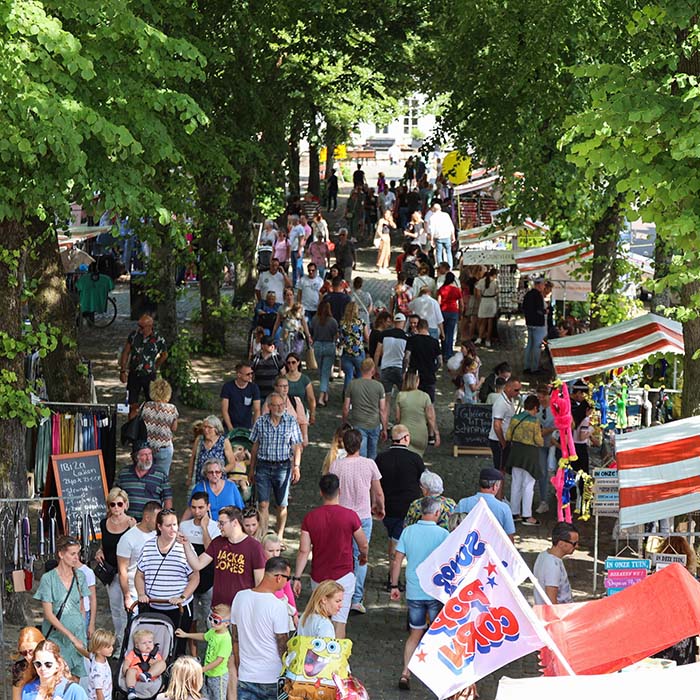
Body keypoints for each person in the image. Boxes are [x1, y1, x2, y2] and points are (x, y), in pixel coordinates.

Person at [293, 474, 368, 638]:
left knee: (319, 618)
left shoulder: (310, 518)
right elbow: (363, 543)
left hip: (319, 577)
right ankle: (336, 659)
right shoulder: (350, 516)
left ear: (321, 492)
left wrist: (297, 577)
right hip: (343, 576)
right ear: (339, 491)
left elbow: (304, 551)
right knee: (339, 621)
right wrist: (364, 556)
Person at [390, 497, 450, 691]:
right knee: (439, 633)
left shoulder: (408, 532)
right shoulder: (443, 534)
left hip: (415, 591)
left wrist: (394, 585)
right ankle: (440, 675)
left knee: (415, 633)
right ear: (437, 513)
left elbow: (397, 560)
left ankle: (405, 673)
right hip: (435, 592)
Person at [329, 429, 385, 614]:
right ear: (360, 444)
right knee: (361, 556)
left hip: (341, 516)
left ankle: (339, 595)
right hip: (363, 516)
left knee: (341, 554)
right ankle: (357, 598)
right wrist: (380, 507)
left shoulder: (336, 466)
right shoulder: (369, 464)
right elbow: (378, 492)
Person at [135, 510, 199, 657]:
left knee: (177, 648)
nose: (173, 529)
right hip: (153, 606)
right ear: (159, 526)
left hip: (179, 608)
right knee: (152, 649)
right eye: (169, 525)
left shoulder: (184, 548)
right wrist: (141, 593)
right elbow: (139, 575)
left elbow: (195, 577)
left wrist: (182, 597)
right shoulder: (148, 547)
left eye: (175, 524)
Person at [231, 557, 291, 700]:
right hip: (271, 676)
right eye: (287, 578)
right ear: (278, 578)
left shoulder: (240, 597)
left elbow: (235, 638)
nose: (287, 582)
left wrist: (239, 666)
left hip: (246, 674)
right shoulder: (278, 606)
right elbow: (282, 644)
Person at [34, 536, 89, 680]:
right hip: (57, 637)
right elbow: (48, 614)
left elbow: (82, 606)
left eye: (78, 553)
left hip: (77, 636)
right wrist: (70, 636)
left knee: (75, 678)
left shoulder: (80, 576)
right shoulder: (49, 579)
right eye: (72, 554)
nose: (76, 558)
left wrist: (81, 629)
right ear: (61, 554)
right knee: (58, 678)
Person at [250, 392, 303, 538]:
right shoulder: (260, 422)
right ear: (269, 407)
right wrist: (251, 469)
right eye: (276, 405)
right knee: (263, 504)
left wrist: (296, 467)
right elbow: (255, 446)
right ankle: (263, 535)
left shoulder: (291, 421)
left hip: (283, 467)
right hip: (263, 466)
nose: (280, 407)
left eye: (282, 405)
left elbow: (297, 446)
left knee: (282, 504)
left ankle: (279, 536)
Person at [375, 425, 425, 578]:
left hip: (388, 508)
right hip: (409, 509)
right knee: (400, 544)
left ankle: (393, 575)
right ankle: (396, 578)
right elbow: (422, 482)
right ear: (405, 438)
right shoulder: (415, 459)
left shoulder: (381, 458)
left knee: (393, 540)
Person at [94, 488, 136, 649]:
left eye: (120, 504)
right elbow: (106, 544)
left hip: (128, 572)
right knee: (116, 609)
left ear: (125, 504)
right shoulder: (105, 523)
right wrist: (100, 550)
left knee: (130, 608)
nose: (116, 508)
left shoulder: (132, 523)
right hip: (111, 572)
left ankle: (130, 644)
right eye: (113, 504)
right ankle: (120, 644)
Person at [179, 491, 219, 657]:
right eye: (194, 508)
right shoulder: (184, 526)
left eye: (201, 507)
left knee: (212, 621)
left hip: (210, 579)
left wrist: (204, 527)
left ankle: (213, 655)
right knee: (191, 620)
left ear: (208, 507)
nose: (197, 511)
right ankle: (194, 656)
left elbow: (212, 550)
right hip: (189, 579)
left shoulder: (216, 527)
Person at [116, 501, 162, 624]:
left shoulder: (157, 534)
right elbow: (122, 571)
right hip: (134, 592)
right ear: (147, 517)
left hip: (154, 591)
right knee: (134, 628)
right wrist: (127, 596)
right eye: (157, 519)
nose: (159, 523)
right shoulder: (128, 538)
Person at [175, 604, 232, 700]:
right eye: (210, 619)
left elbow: (219, 660)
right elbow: (204, 636)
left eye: (216, 621)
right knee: (205, 696)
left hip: (218, 676)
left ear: (226, 623)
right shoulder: (213, 631)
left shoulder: (226, 639)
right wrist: (186, 635)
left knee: (218, 697)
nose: (212, 623)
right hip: (207, 673)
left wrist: (201, 670)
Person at [119, 314, 168, 419]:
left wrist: (156, 365)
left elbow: (164, 355)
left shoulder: (158, 339)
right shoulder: (134, 335)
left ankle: (149, 427)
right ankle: (132, 429)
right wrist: (123, 370)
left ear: (150, 326)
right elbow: (126, 352)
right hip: (134, 374)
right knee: (132, 404)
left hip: (149, 375)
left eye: (142, 327)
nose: (139, 329)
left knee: (152, 403)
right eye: (139, 326)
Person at [342, 358, 387, 459]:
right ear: (373, 370)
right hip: (374, 423)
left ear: (361, 369)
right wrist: (384, 428)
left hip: (358, 423)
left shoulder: (352, 384)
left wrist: (344, 422)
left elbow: (346, 407)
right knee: (372, 454)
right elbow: (382, 410)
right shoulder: (379, 386)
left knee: (360, 454)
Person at [116, 442, 173, 519]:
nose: (148, 458)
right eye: (144, 455)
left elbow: (167, 499)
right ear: (136, 457)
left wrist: (166, 519)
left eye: (150, 454)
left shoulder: (161, 474)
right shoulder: (124, 473)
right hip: (127, 521)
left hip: (151, 522)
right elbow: (116, 496)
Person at [455, 468, 516, 540]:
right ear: (495, 486)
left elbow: (454, 529)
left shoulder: (463, 503)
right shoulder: (504, 508)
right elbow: (509, 537)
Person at [186, 416, 235, 494]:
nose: (206, 430)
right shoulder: (199, 440)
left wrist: (219, 472)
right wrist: (189, 477)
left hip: (217, 482)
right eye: (204, 427)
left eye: (209, 427)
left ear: (216, 429)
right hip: (200, 480)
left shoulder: (224, 441)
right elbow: (193, 459)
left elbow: (232, 463)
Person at [533, 522, 579, 604]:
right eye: (574, 543)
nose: (576, 546)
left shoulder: (543, 555)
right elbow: (551, 601)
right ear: (561, 543)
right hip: (556, 614)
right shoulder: (553, 566)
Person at [140, 378, 179, 476]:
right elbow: (174, 428)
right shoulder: (172, 409)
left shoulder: (146, 406)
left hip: (147, 447)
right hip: (164, 447)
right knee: (162, 477)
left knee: (145, 475)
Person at [395, 373, 438, 456]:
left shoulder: (400, 395)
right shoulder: (425, 396)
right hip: (421, 433)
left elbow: (397, 418)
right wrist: (436, 434)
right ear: (417, 382)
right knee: (418, 457)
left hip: (405, 433)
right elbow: (430, 417)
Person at [261, 534, 297, 626]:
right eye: (270, 551)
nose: (275, 554)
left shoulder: (283, 566)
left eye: (277, 550)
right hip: (265, 606)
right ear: (262, 549)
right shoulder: (259, 567)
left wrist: (295, 613)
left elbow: (288, 590)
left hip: (281, 604)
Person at [488, 376, 522, 473]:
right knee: (500, 470)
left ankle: (499, 488)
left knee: (502, 469)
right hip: (498, 440)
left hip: (503, 439)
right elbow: (497, 425)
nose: (518, 392)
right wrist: (503, 442)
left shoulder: (509, 399)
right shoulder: (501, 403)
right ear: (508, 388)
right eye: (516, 390)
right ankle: (497, 488)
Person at [403, 318, 441, 402]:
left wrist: (406, 369)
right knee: (429, 402)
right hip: (429, 376)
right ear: (427, 328)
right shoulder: (434, 342)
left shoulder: (412, 340)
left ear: (417, 327)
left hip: (414, 375)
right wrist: (434, 369)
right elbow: (440, 361)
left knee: (413, 402)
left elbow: (406, 357)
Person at [122, 629, 166, 700]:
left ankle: (147, 675)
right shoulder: (133, 653)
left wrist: (154, 663)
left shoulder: (155, 655)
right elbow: (127, 662)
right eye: (144, 643)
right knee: (131, 670)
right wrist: (126, 671)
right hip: (136, 673)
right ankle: (131, 690)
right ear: (137, 646)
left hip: (151, 674)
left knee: (162, 663)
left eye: (150, 642)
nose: (147, 645)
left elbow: (160, 667)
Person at [373, 313, 409, 400]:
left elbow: (377, 352)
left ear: (394, 322)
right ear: (403, 323)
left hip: (385, 368)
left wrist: (375, 369)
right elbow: (407, 357)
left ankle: (385, 413)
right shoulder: (406, 337)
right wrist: (405, 371)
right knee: (404, 397)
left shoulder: (384, 334)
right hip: (399, 368)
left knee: (386, 399)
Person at [310, 301, 338, 407]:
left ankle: (325, 393)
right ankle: (322, 396)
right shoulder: (333, 321)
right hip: (329, 346)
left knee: (321, 371)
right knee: (326, 372)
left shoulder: (314, 320)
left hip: (317, 345)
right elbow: (335, 335)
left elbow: (312, 333)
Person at [338, 302, 369, 395]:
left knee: (349, 375)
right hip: (359, 352)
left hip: (346, 352)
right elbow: (367, 338)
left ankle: (346, 395)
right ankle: (357, 395)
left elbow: (340, 337)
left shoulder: (342, 323)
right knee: (360, 375)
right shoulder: (361, 322)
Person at [220, 363, 261, 432]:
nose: (250, 376)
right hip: (229, 425)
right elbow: (224, 410)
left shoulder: (254, 388)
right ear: (239, 374)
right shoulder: (227, 387)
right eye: (248, 374)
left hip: (247, 426)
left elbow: (257, 410)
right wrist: (230, 428)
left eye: (252, 373)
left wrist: (254, 427)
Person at [536, 385, 556, 514]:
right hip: (541, 443)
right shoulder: (536, 408)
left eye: (543, 396)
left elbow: (559, 424)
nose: (541, 398)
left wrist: (547, 430)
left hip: (555, 444)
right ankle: (543, 500)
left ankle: (558, 497)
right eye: (539, 396)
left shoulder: (555, 408)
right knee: (542, 472)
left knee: (557, 472)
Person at [284, 352, 317, 425]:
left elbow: (311, 399)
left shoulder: (305, 379)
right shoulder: (282, 379)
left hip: (301, 413)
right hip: (286, 414)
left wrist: (312, 415)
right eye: (288, 363)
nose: (291, 365)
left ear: (298, 363)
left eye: (293, 362)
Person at [12, 627, 44, 700]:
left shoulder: (53, 664)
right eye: (24, 653)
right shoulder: (20, 669)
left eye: (31, 651)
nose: (29, 657)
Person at [523, 278, 547, 373]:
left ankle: (527, 366)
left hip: (529, 323)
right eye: (543, 284)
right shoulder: (538, 296)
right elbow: (539, 310)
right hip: (538, 324)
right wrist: (546, 311)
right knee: (537, 346)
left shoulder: (528, 294)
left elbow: (524, 307)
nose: (544, 286)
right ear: (539, 285)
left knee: (529, 345)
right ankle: (535, 367)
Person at [251, 336, 285, 401]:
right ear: (262, 346)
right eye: (269, 344)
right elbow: (251, 375)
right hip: (259, 394)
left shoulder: (277, 358)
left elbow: (283, 374)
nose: (272, 346)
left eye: (273, 344)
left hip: (274, 395)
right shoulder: (255, 359)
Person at [438, 272, 463, 362]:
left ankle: (444, 351)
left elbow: (439, 302)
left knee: (443, 333)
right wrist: (461, 313)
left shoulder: (442, 289)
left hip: (443, 312)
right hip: (453, 312)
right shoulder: (457, 290)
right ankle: (449, 353)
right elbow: (461, 303)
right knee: (450, 333)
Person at [87, 629, 115, 700]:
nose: (112, 648)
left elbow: (88, 654)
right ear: (98, 650)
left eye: (112, 645)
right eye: (108, 647)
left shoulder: (95, 656)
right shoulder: (98, 671)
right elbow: (99, 692)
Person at [475, 268, 499, 347]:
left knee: (483, 321)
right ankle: (488, 339)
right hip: (491, 301)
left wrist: (480, 301)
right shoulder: (495, 282)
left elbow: (478, 294)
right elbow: (497, 292)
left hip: (484, 301)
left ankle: (479, 337)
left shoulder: (481, 281)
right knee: (490, 322)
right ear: (495, 275)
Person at [427, 203, 455, 269]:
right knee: (449, 252)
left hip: (438, 237)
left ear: (433, 209)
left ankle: (441, 267)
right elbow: (451, 226)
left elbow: (432, 229)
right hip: (447, 236)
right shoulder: (446, 215)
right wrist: (453, 235)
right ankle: (450, 267)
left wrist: (431, 239)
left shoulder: (432, 217)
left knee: (438, 253)